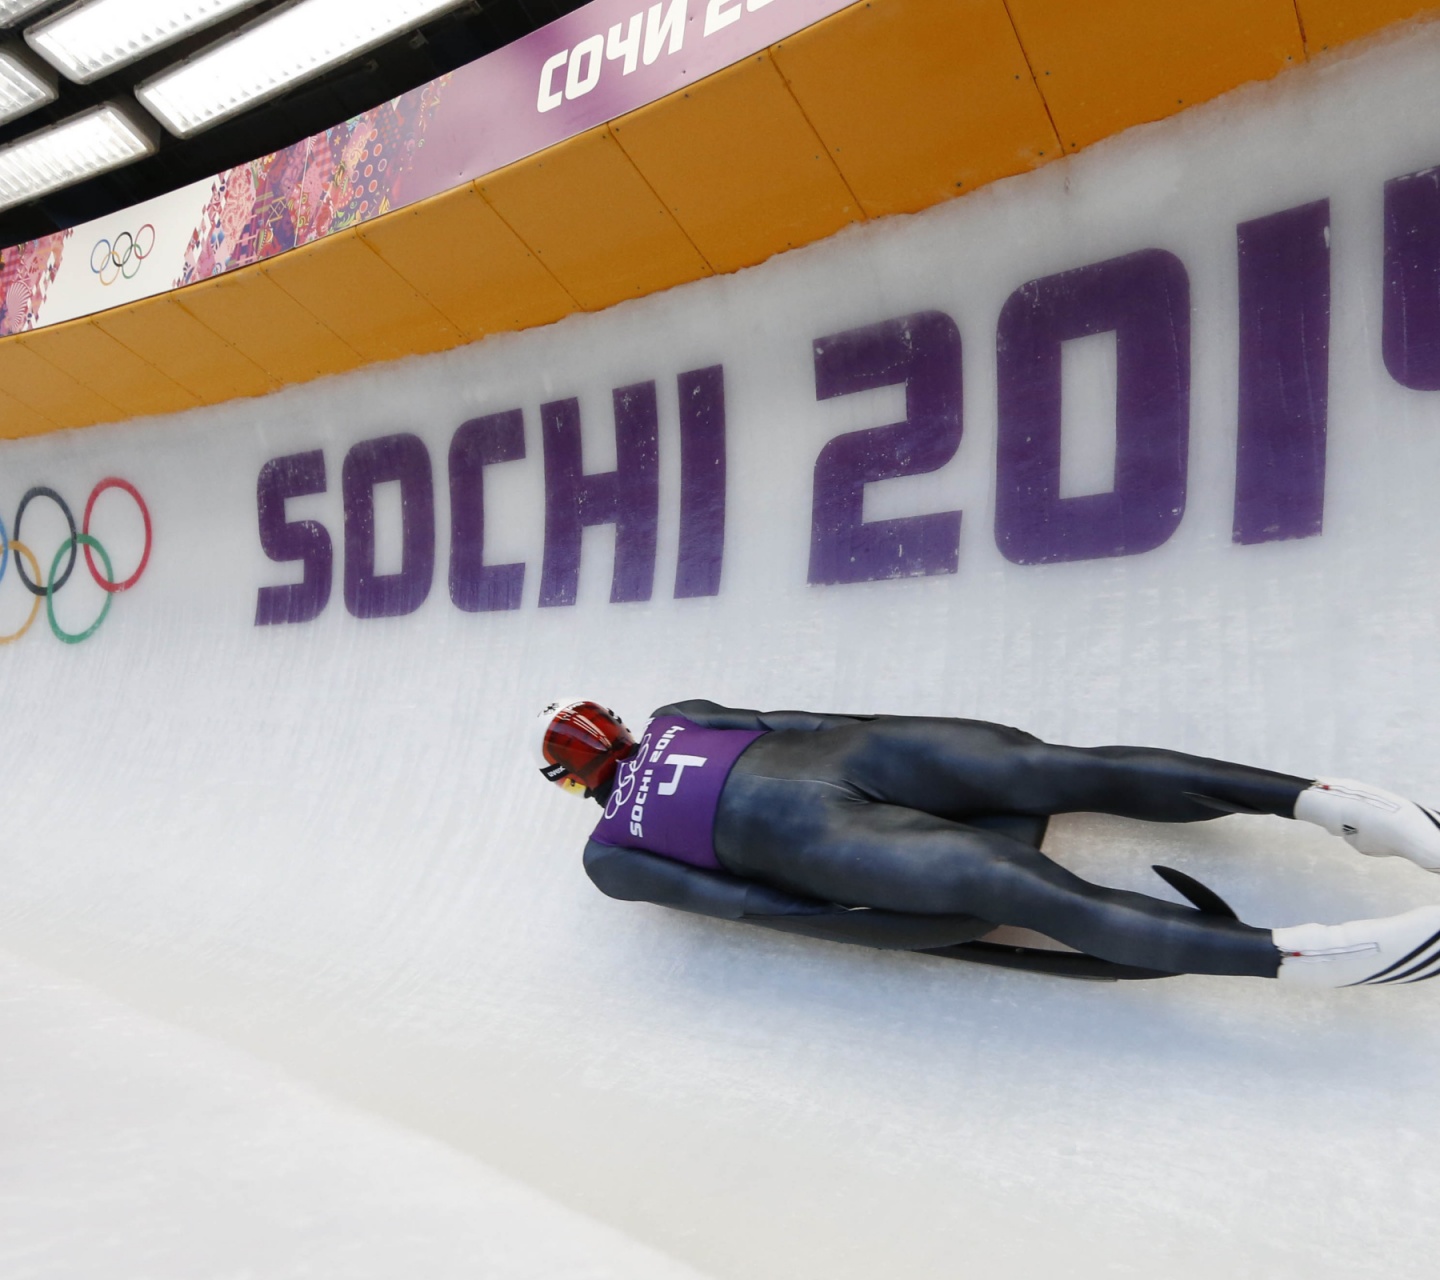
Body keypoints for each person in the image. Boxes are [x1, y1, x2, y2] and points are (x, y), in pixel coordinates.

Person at [534, 699, 1440, 987]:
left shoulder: (611, 852)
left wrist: (895, 929)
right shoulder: (671, 725)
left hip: (841, 823)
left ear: (574, 783)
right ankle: (1324, 835)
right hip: (869, 769)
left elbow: (756, 907)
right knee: (1041, 806)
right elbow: (809, 719)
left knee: (1038, 837)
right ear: (613, 725)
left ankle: (1304, 929)